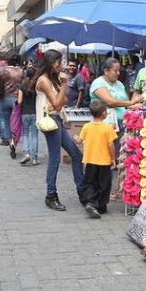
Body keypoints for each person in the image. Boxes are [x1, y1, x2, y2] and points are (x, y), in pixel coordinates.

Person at [31, 49, 84, 211]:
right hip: (51, 121)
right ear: (50, 62)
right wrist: (64, 84)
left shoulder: (52, 79)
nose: (60, 66)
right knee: (54, 159)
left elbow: (64, 100)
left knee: (76, 154)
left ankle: (82, 190)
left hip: (57, 119)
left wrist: (61, 88)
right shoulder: (44, 80)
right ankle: (51, 195)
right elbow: (58, 104)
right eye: (58, 62)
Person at [89, 57, 142, 158]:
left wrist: (138, 105)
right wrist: (132, 101)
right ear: (106, 71)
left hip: (121, 122)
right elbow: (110, 101)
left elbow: (127, 104)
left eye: (119, 70)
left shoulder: (119, 84)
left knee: (120, 154)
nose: (118, 73)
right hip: (105, 123)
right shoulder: (98, 83)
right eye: (115, 71)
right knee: (105, 154)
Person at [73, 100, 117, 218]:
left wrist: (75, 137)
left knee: (90, 182)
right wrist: (113, 158)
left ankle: (91, 203)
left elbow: (79, 141)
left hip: (90, 160)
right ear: (103, 113)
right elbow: (111, 145)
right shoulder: (108, 128)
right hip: (104, 161)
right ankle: (101, 205)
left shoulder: (87, 126)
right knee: (104, 184)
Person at [0, 52, 24, 158]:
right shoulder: (22, 72)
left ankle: (11, 142)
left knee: (6, 122)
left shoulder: (2, 71)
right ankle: (15, 140)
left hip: (4, 99)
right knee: (17, 122)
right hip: (17, 99)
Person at [17, 69, 39, 166]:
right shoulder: (37, 86)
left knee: (25, 134)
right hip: (35, 113)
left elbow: (19, 101)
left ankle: (26, 153)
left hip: (25, 113)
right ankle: (35, 158)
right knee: (35, 135)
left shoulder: (22, 85)